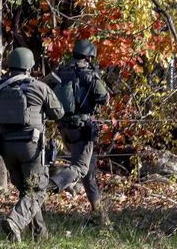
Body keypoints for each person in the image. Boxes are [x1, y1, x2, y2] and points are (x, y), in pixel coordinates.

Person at [0, 47, 63, 242]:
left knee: (27, 192)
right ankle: (15, 221)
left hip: (6, 148)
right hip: (31, 146)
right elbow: (58, 113)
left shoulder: (0, 87)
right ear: (29, 66)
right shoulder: (39, 87)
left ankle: (40, 236)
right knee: (37, 190)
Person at [43, 39, 110, 226]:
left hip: (64, 128)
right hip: (82, 129)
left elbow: (44, 90)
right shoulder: (89, 75)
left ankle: (100, 216)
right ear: (89, 57)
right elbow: (105, 98)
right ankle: (49, 186)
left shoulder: (60, 72)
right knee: (80, 168)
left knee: (89, 169)